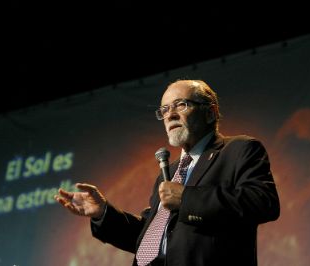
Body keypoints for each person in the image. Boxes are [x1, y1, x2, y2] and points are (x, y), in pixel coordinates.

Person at [54, 79, 280, 266]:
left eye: (180, 105)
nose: (170, 115)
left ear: (210, 113)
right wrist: (103, 213)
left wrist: (186, 199)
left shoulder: (238, 150)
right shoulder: (169, 172)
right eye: (164, 110)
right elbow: (150, 239)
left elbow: (262, 203)